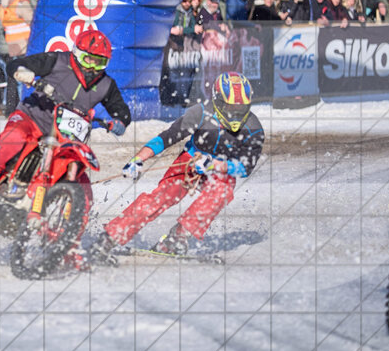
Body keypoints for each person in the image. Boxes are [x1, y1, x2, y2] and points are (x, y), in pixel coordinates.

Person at [87, 71, 264, 264]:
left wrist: (216, 165)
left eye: (240, 108)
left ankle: (178, 237)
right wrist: (138, 158)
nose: (234, 114)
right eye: (229, 107)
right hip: (190, 161)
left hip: (220, 170)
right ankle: (109, 238)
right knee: (161, 197)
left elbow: (246, 167)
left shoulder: (253, 128)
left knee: (222, 190)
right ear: (217, 101)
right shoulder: (201, 113)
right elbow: (168, 136)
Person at [0, 30, 131, 220]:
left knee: (84, 183)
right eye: (89, 60)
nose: (94, 67)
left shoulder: (106, 84)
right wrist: (24, 72)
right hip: (32, 119)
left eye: (100, 62)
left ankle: (70, 243)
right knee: (13, 139)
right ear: (77, 54)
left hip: (66, 137)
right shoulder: (57, 60)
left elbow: (121, 110)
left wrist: (120, 121)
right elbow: (17, 63)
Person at [0, 0, 37, 114]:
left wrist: (1, 45)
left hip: (11, 47)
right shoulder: (21, 3)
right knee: (26, 80)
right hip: (24, 46)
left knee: (15, 80)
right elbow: (36, 18)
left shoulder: (2, 5)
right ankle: (27, 108)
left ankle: (12, 109)